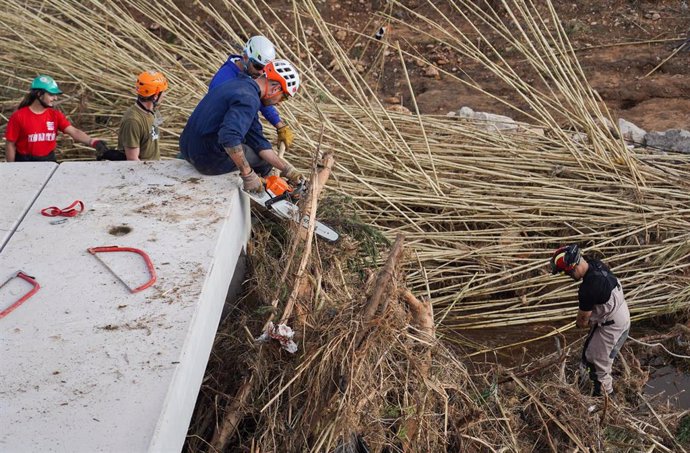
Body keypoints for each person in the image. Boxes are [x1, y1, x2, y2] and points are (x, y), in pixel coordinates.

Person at [179, 59, 303, 193]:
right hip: (206, 159)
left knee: (253, 148)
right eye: (283, 97)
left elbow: (257, 141)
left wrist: (288, 170)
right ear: (276, 89)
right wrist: (248, 174)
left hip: (187, 148)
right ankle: (259, 196)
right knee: (263, 162)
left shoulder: (241, 84)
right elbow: (229, 137)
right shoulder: (249, 99)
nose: (279, 103)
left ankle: (263, 184)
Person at [550, 244, 630, 398]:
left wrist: (577, 325)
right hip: (619, 314)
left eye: (566, 273)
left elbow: (582, 321)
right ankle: (591, 387)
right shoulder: (596, 264)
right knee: (589, 353)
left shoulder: (588, 289)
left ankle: (606, 400)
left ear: (573, 268)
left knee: (597, 363)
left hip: (613, 326)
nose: (568, 277)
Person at [209, 35, 295, 150]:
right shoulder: (223, 79)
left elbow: (260, 97)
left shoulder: (251, 74)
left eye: (265, 70)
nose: (261, 73)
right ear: (245, 56)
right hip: (217, 138)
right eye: (258, 66)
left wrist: (279, 124)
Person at [4, 75, 108, 162]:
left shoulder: (55, 115)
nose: (55, 98)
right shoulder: (19, 116)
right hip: (25, 162)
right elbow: (10, 144)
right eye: (51, 94)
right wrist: (13, 169)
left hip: (48, 161)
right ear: (39, 94)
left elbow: (74, 132)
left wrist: (92, 142)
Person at [100, 71, 168, 161]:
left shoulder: (151, 111)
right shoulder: (133, 121)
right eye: (162, 92)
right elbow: (132, 160)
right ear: (155, 96)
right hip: (144, 172)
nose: (164, 95)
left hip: (153, 168)